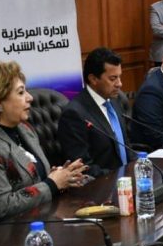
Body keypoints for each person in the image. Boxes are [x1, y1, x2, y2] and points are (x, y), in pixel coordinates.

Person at [0, 61, 87, 223]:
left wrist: (62, 176)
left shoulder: (24, 129)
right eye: (20, 92)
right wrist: (52, 184)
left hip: (36, 220)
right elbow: (0, 207)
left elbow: (34, 180)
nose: (30, 98)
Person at [56, 47, 131, 177]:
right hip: (102, 183)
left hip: (127, 178)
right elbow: (82, 167)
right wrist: (119, 176)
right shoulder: (74, 114)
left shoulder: (115, 101)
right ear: (93, 79)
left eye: (119, 77)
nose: (119, 84)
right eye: (113, 78)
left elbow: (126, 147)